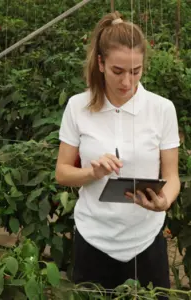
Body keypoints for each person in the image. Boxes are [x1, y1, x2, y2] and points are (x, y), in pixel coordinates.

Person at [55, 11, 181, 292]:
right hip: (93, 239)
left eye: (136, 71)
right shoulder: (78, 106)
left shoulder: (161, 109)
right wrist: (92, 172)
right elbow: (62, 173)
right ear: (100, 63)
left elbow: (172, 177)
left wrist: (165, 201)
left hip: (146, 240)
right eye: (118, 71)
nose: (127, 82)